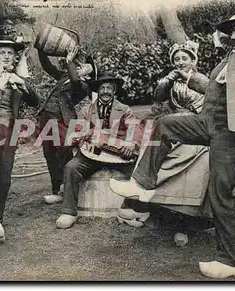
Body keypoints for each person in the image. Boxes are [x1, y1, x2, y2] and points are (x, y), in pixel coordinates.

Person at [110, 14, 235, 279]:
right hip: (211, 124)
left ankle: (232, 261)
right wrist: (190, 77)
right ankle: (142, 183)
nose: (232, 35)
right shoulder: (228, 58)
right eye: (230, 30)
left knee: (220, 193)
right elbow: (217, 90)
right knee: (163, 124)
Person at [116, 40, 212, 229]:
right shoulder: (172, 81)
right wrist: (167, 80)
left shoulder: (201, 79)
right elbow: (158, 96)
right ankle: (143, 204)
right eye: (176, 59)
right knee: (153, 149)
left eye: (185, 58)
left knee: (197, 158)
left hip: (195, 127)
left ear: (193, 60)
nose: (180, 62)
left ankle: (188, 219)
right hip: (173, 125)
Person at [56, 71, 143, 229]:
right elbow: (77, 130)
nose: (105, 91)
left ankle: (130, 209)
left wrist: (131, 143)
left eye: (109, 88)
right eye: (102, 88)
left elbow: (135, 128)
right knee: (72, 167)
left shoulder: (124, 109)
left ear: (114, 90)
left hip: (117, 154)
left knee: (138, 172)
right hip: (92, 154)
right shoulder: (86, 111)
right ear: (97, 91)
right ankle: (69, 212)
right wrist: (78, 136)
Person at [0, 35, 40, 243]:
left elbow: (34, 100)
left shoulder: (17, 77)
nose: (5, 56)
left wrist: (21, 83)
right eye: (2, 52)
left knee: (4, 175)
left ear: (14, 56)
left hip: (8, 129)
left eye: (10, 53)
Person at [36, 46, 94, 204]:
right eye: (79, 65)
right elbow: (48, 67)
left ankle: (69, 188)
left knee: (64, 151)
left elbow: (75, 80)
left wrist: (68, 61)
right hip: (47, 117)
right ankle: (57, 191)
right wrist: (41, 50)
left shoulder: (83, 86)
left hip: (63, 120)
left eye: (84, 68)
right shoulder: (63, 76)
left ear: (88, 76)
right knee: (49, 153)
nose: (79, 66)